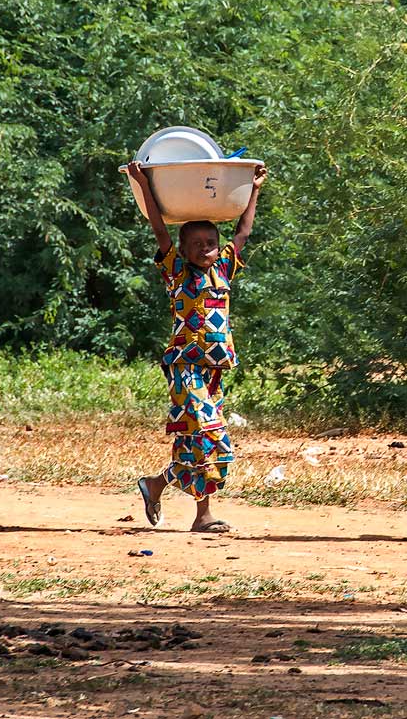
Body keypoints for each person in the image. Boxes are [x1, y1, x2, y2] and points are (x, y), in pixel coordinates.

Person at [127, 160, 267, 533]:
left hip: (214, 369)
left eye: (211, 244)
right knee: (210, 431)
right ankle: (200, 511)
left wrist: (253, 189)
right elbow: (159, 229)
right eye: (198, 245)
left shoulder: (223, 268)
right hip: (184, 366)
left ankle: (159, 487)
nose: (206, 249)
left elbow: (243, 232)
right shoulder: (176, 271)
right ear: (185, 251)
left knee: (193, 439)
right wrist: (142, 183)